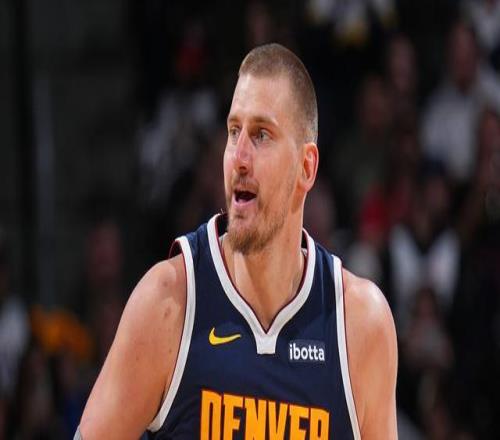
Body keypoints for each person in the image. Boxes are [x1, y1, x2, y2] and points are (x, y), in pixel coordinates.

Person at [77, 43, 397, 439]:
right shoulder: (169, 302)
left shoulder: (359, 324)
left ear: (306, 167)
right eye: (233, 132)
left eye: (261, 134)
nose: (239, 157)